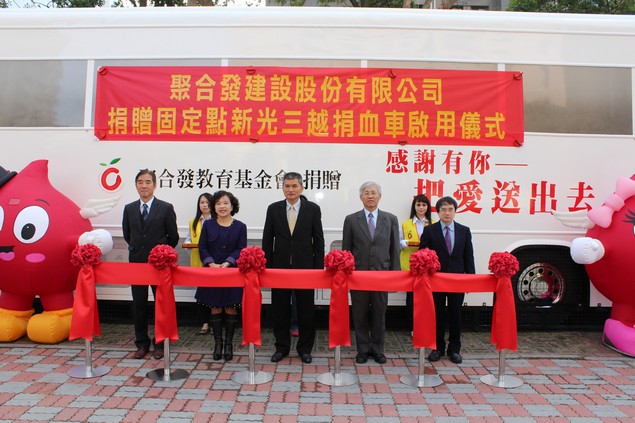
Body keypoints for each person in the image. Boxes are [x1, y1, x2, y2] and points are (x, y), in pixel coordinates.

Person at [262, 172, 325, 364]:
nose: (290, 189)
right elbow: (267, 240)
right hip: (279, 268)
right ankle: (281, 347)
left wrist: (318, 269)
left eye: (294, 186)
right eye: (287, 186)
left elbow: (318, 240)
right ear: (282, 188)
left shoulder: (312, 209)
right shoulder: (273, 209)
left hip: (305, 268)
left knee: (306, 310)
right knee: (279, 309)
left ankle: (305, 349)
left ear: (301, 187)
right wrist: (267, 267)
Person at [122, 169, 179, 360]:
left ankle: (160, 343)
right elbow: (127, 235)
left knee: (160, 305)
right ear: (136, 185)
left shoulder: (165, 208)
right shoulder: (129, 208)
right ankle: (142, 343)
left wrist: (161, 254)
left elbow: (173, 236)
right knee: (138, 304)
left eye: (147, 182)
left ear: (155, 185)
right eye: (140, 182)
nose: (144, 185)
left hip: (159, 266)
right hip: (137, 263)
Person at [342, 181, 400, 365]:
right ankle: (362, 350)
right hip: (358, 276)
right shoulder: (351, 220)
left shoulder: (390, 219)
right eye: (366, 193)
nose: (370, 196)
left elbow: (394, 249)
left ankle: (377, 350)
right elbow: (346, 250)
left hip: (382, 275)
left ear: (379, 196)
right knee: (359, 314)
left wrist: (395, 275)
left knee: (379, 313)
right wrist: (346, 275)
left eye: (373, 193)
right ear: (361, 197)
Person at [419, 196, 475, 364]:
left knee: (455, 315)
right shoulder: (430, 231)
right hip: (436, 280)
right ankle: (437, 348)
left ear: (455, 211)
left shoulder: (464, 231)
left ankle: (454, 349)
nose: (447, 213)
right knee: (437, 314)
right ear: (438, 212)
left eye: (450, 209)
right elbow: (423, 254)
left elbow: (468, 256)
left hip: (457, 280)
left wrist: (470, 279)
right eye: (443, 210)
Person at [196, 190, 247, 361]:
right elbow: (202, 247)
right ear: (214, 207)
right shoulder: (208, 225)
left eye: (225, 203)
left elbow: (241, 248)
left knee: (230, 306)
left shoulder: (240, 226)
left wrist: (228, 262)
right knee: (215, 306)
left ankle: (229, 344)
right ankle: (218, 344)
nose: (222, 206)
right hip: (212, 272)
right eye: (218, 203)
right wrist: (210, 263)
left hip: (231, 272)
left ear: (232, 206)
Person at [399, 194, 433, 331]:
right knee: (411, 297)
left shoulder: (434, 223)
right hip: (410, 264)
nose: (421, 207)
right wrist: (402, 243)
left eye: (424, 205)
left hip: (428, 265)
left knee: (426, 296)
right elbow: (398, 242)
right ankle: (412, 326)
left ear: (428, 207)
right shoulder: (406, 224)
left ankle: (425, 325)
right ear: (414, 207)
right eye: (418, 205)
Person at [183, 193, 214, 335]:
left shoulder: (217, 221)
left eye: (207, 202)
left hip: (213, 264)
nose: (205, 205)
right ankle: (204, 323)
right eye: (202, 202)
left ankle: (214, 323)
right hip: (198, 263)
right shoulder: (193, 222)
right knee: (201, 294)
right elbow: (188, 240)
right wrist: (190, 245)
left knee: (214, 294)